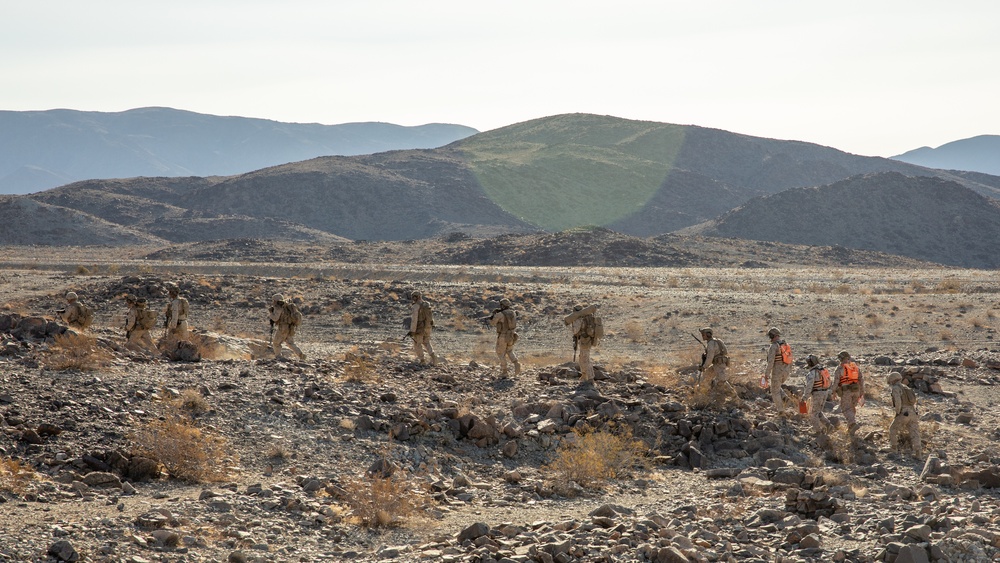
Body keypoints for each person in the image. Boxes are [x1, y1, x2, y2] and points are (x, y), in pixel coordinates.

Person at [829, 350, 865, 435]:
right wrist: (862, 393)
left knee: (846, 408)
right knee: (852, 408)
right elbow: (861, 380)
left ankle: (852, 424)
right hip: (856, 390)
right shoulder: (855, 367)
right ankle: (850, 429)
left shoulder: (839, 368)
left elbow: (836, 382)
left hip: (846, 392)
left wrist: (832, 391)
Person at [887, 372, 922, 458]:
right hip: (913, 413)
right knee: (914, 433)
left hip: (904, 412)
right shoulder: (906, 387)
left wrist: (898, 412)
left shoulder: (896, 388)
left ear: (892, 380)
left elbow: (898, 402)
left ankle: (893, 448)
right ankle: (918, 453)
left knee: (893, 429)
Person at [567, 305, 599, 383]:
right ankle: (584, 375)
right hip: (588, 340)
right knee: (583, 358)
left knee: (584, 359)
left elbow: (575, 331)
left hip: (585, 341)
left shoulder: (579, 319)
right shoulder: (587, 318)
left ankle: (590, 378)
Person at [268, 293, 305, 360]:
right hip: (290, 327)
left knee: (276, 343)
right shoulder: (287, 305)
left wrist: (271, 313)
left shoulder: (278, 307)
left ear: (276, 300)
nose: (273, 302)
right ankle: (300, 354)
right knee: (290, 343)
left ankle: (278, 356)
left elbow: (275, 318)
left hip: (282, 328)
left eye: (273, 300)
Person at [801, 355, 832, 433]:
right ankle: (828, 425)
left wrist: (804, 398)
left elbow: (809, 386)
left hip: (817, 394)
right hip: (825, 392)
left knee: (813, 414)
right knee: (818, 411)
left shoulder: (812, 373)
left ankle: (818, 432)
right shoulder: (823, 370)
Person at [489, 298, 520, 377]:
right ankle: (516, 364)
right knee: (509, 351)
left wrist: (493, 315)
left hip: (503, 336)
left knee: (500, 353)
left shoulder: (500, 314)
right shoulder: (513, 313)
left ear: (502, 305)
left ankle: (504, 372)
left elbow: (492, 323)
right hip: (512, 335)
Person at [764, 327, 793, 410]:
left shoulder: (774, 346)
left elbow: (771, 362)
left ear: (772, 336)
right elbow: (791, 360)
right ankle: (785, 398)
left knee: (774, 391)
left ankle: (781, 411)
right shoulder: (785, 345)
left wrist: (766, 374)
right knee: (776, 386)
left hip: (777, 371)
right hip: (786, 371)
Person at [408, 291, 436, 365]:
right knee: (426, 342)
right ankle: (433, 356)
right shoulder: (427, 304)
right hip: (428, 327)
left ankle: (422, 360)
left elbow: (414, 320)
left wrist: (412, 331)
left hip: (420, 328)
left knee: (417, 343)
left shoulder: (415, 306)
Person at [697, 327, 728, 391]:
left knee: (722, 382)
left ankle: (734, 397)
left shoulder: (711, 343)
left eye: (703, 334)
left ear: (708, 335)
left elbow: (710, 358)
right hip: (717, 364)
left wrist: (704, 367)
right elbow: (725, 351)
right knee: (706, 376)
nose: (702, 336)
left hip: (719, 365)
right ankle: (709, 392)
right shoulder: (718, 341)